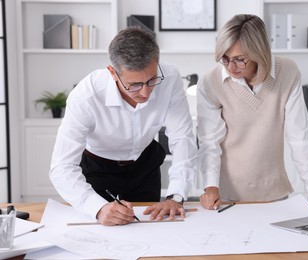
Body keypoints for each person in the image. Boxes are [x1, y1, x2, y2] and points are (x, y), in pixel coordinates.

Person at [49, 27, 197, 226]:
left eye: (152, 80)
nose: (146, 93)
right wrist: (98, 208)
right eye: (134, 84)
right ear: (112, 72)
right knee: (103, 235)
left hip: (145, 166)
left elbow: (183, 138)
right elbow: (61, 167)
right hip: (98, 169)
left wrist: (176, 196)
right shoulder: (86, 96)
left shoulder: (170, 79)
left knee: (152, 231)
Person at [197, 14, 308, 210]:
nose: (231, 67)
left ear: (259, 52)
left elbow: (298, 136)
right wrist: (210, 187)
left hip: (275, 194)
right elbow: (209, 141)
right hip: (226, 197)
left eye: (239, 59)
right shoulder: (211, 81)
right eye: (224, 59)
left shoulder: (288, 72)